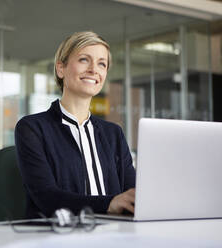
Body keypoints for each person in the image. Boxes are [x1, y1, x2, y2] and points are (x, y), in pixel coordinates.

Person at [15, 31, 136, 218]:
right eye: (84, 60)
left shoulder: (113, 134)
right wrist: (110, 203)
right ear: (61, 69)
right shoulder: (32, 128)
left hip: (116, 234)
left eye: (102, 64)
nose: (94, 70)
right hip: (58, 237)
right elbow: (47, 199)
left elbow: (132, 194)